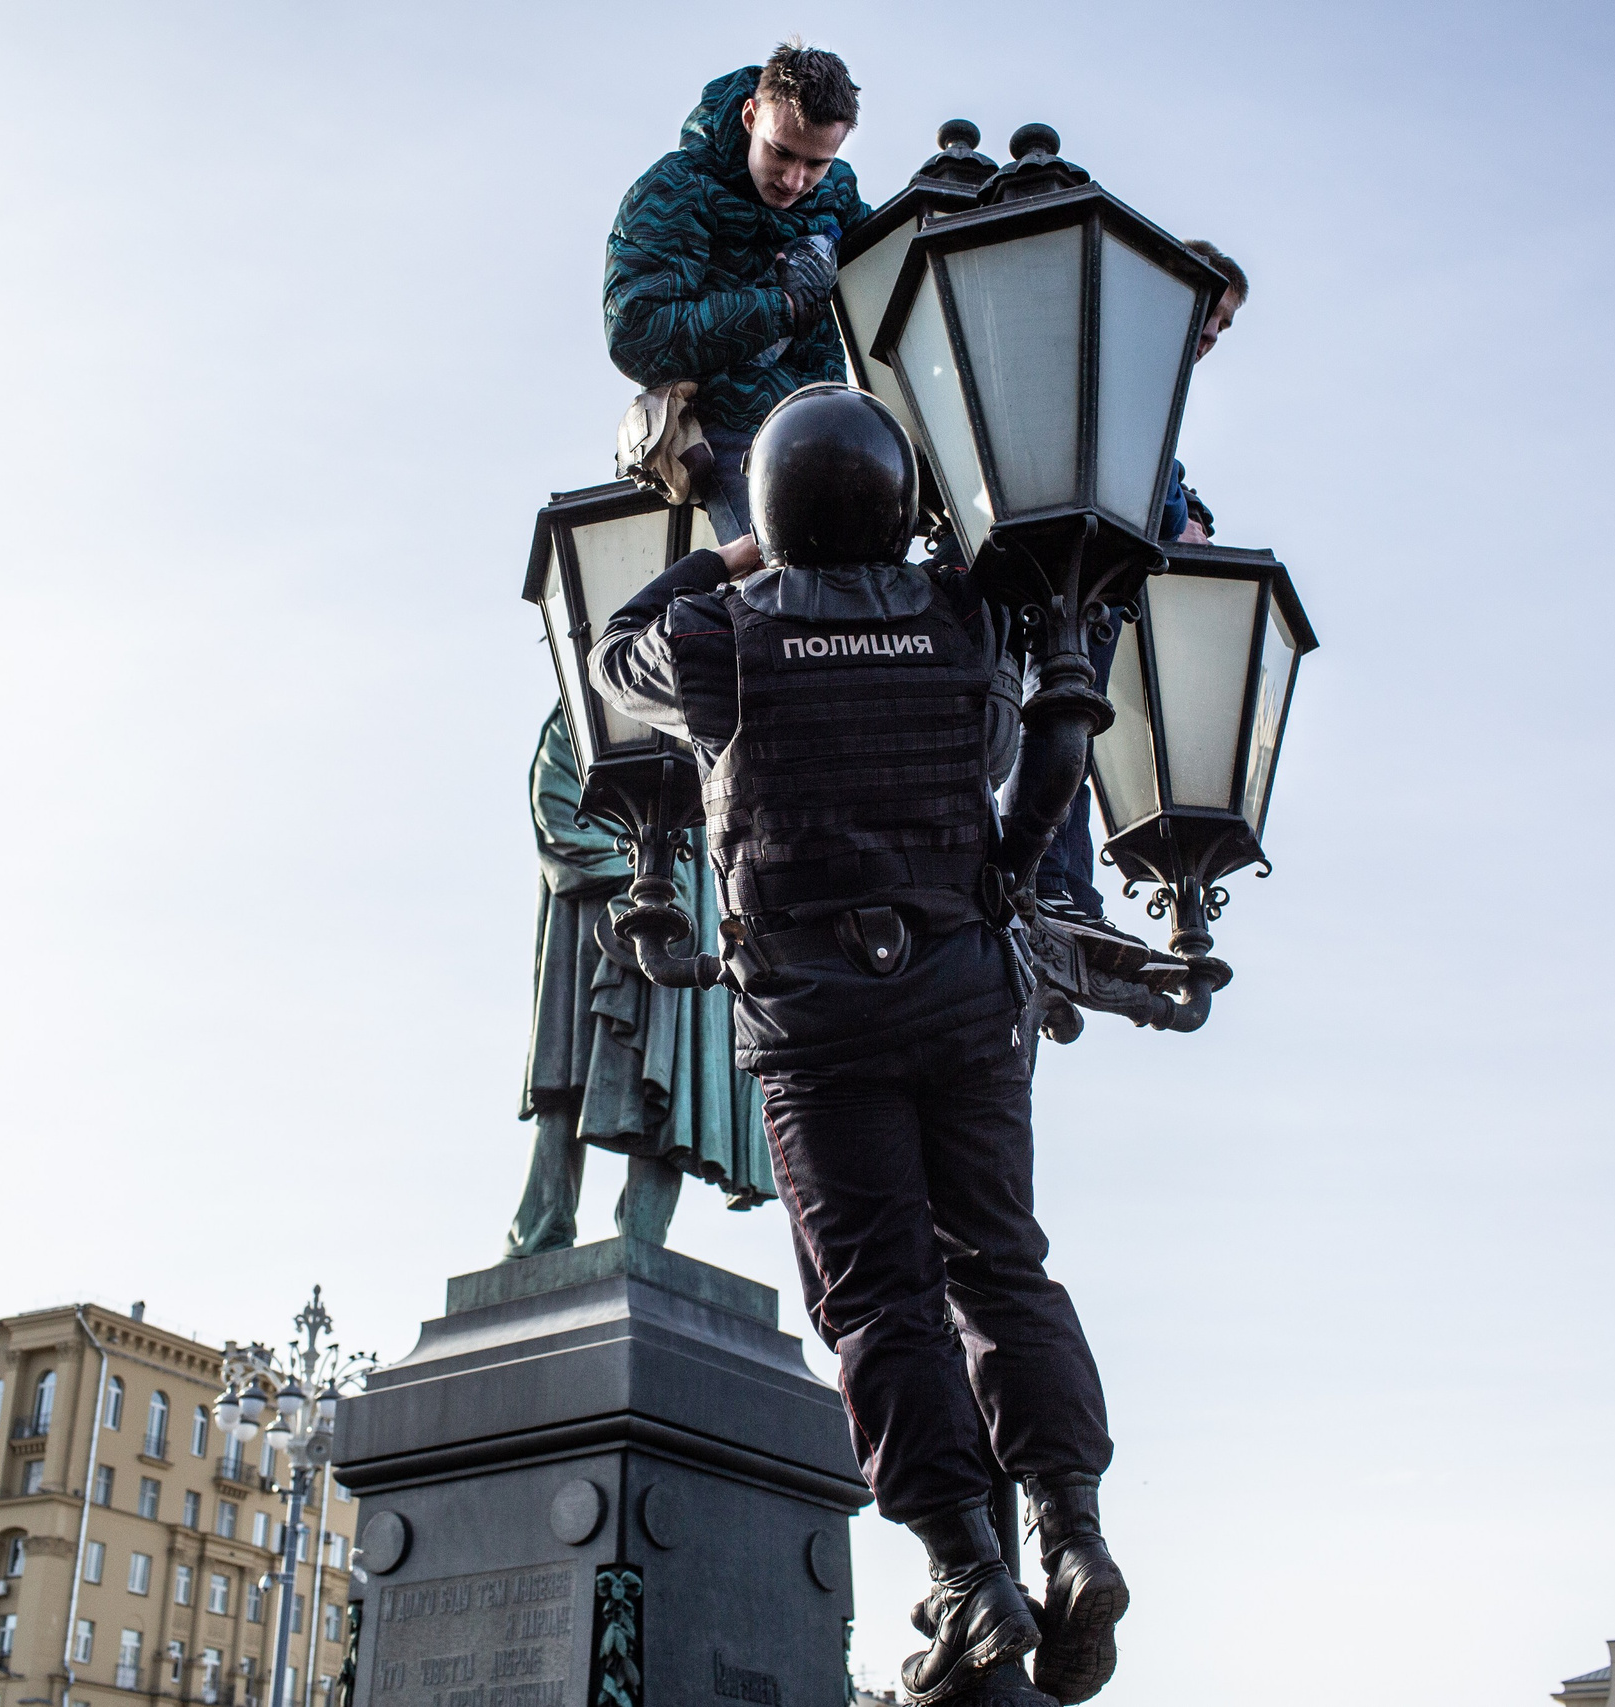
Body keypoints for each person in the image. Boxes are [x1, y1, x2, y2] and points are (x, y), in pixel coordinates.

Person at [588, 385, 1126, 1707]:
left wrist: (726, 556)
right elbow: (1012, 744)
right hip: (961, 989)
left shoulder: (722, 637)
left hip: (815, 1013)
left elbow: (612, 650)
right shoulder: (957, 622)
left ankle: (966, 1568)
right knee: (1001, 1266)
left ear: (772, 514)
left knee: (879, 1301)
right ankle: (1069, 1523)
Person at [1032, 240, 1250, 935]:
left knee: (1074, 725)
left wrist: (1189, 507)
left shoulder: (1136, 361)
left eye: (1226, 326)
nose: (1213, 335)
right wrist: (1180, 519)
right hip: (1083, 582)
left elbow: (1164, 476)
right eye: (1210, 313)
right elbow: (1142, 487)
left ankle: (1063, 886)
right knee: (1066, 721)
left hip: (1090, 584)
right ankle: (1054, 885)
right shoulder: (1133, 363)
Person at [509, 705, 775, 1257]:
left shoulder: (698, 713)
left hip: (687, 918)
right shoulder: (577, 718)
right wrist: (641, 880)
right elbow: (558, 813)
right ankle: (542, 1230)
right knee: (567, 1078)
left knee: (674, 1080)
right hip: (591, 926)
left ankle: (644, 1241)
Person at [603, 40, 874, 544]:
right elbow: (636, 333)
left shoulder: (837, 193)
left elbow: (887, 283)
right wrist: (780, 307)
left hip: (836, 430)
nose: (795, 180)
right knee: (781, 587)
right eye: (781, 152)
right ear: (751, 116)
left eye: (816, 163)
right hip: (734, 433)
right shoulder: (673, 191)